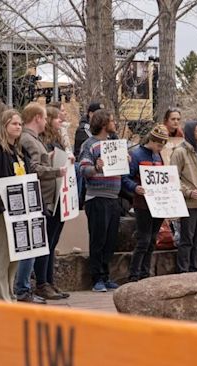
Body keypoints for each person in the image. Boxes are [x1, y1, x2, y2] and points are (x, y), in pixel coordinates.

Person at [16, 102, 67, 303]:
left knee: (49, 243)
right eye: (45, 117)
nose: (46, 121)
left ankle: (47, 281)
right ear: (37, 117)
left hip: (49, 196)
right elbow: (34, 168)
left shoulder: (35, 140)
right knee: (42, 244)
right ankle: (40, 284)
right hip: (41, 196)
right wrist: (55, 170)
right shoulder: (28, 140)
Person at [0, 109, 30, 302]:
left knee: (15, 258)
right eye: (14, 123)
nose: (18, 127)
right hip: (1, 212)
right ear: (4, 125)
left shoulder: (19, 151)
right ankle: (0, 300)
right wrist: (1, 208)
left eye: (20, 124)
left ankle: (10, 295)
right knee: (1, 258)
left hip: (19, 211)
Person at [79, 109, 122, 292]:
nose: (115, 124)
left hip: (114, 197)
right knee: (98, 239)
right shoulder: (90, 144)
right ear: (104, 124)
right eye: (112, 121)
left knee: (110, 240)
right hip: (97, 197)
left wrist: (123, 160)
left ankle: (105, 275)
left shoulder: (114, 144)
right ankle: (96, 278)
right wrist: (96, 167)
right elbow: (83, 169)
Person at [33, 106, 72, 299]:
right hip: (48, 195)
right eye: (57, 119)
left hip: (61, 195)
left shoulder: (60, 140)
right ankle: (42, 282)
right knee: (46, 242)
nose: (61, 121)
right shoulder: (42, 142)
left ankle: (49, 281)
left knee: (53, 241)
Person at [122, 125, 169, 282]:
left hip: (158, 204)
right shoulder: (136, 155)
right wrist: (135, 187)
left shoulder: (158, 156)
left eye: (163, 145)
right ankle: (134, 274)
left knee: (152, 239)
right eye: (158, 144)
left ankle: (145, 272)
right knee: (143, 239)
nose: (160, 148)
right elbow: (125, 178)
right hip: (142, 204)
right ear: (151, 140)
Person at [170, 120, 197, 273]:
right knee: (187, 239)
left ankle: (195, 269)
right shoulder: (180, 152)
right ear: (190, 133)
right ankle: (183, 271)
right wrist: (188, 192)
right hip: (188, 202)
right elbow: (173, 178)